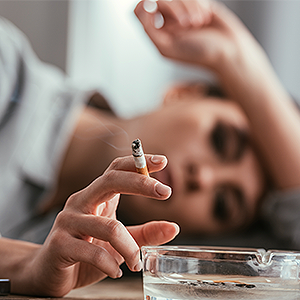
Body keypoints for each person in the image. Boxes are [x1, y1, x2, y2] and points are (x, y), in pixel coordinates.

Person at [1, 0, 300, 250]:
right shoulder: (7, 72)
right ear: (181, 92)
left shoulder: (73, 254)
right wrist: (234, 58)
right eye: (220, 141)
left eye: (222, 204)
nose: (204, 179)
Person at [0, 154, 179, 296]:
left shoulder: (66, 244)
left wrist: (28, 267)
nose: (202, 179)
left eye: (209, 206)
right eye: (209, 139)